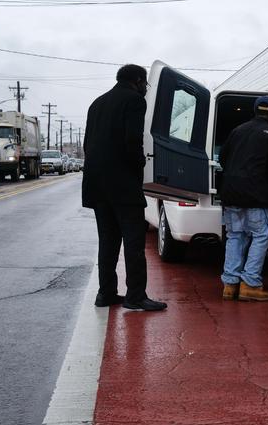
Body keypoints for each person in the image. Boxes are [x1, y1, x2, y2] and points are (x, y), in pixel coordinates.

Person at [82, 64, 167, 312]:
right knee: (133, 242)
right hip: (123, 185)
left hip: (96, 185)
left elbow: (88, 144)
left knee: (107, 241)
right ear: (138, 80)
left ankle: (105, 293)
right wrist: (141, 164)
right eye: (145, 84)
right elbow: (133, 140)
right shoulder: (134, 101)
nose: (145, 89)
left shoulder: (96, 103)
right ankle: (135, 296)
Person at [218, 96, 268, 302]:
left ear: (255, 111)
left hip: (231, 194)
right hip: (256, 195)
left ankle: (230, 285)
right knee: (260, 235)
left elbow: (223, 157)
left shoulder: (237, 131)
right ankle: (250, 284)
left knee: (235, 236)